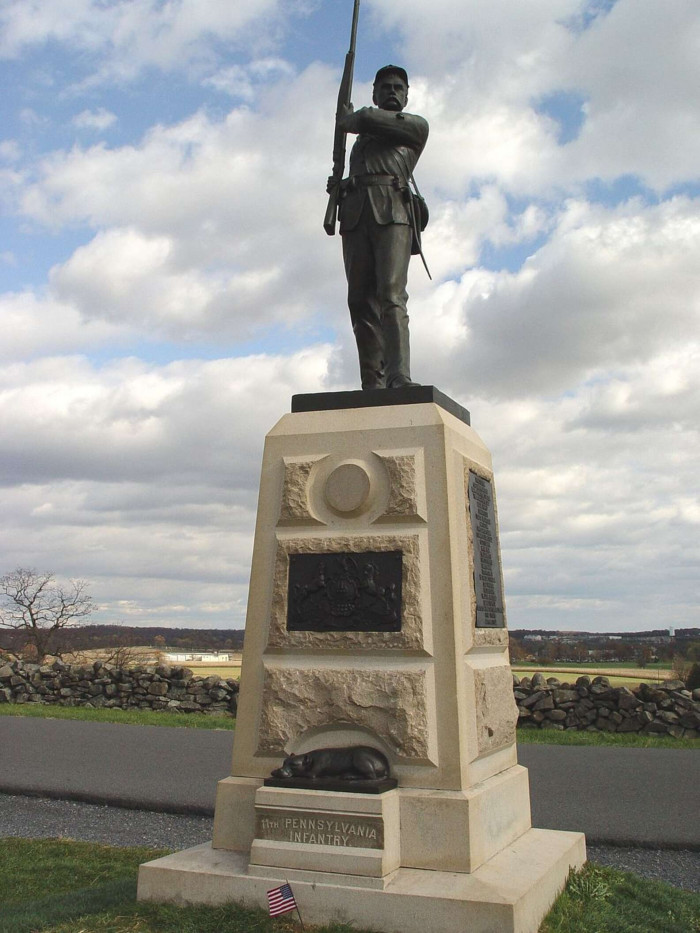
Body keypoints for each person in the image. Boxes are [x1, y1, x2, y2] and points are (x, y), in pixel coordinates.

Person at [333, 65, 429, 389]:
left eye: (397, 87)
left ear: (405, 95)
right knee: (359, 300)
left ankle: (399, 376)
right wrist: (342, 185)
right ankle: (371, 382)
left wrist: (354, 118)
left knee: (391, 294)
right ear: (374, 93)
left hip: (393, 212)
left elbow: (374, 122)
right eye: (384, 86)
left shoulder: (414, 128)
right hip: (357, 213)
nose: (391, 91)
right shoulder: (361, 141)